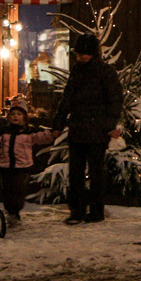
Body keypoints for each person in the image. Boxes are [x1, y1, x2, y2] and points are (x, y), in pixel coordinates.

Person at [52, 32, 124, 225]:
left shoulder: (104, 73)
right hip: (81, 127)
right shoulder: (79, 72)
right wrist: (58, 123)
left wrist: (107, 126)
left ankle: (94, 210)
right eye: (79, 53)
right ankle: (78, 210)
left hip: (95, 130)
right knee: (76, 172)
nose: (81, 57)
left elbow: (114, 101)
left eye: (84, 53)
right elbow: (67, 99)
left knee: (95, 173)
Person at [0, 96, 56, 222]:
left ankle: (15, 209)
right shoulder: (4, 132)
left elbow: (41, 137)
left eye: (19, 114)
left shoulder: (29, 132)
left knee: (18, 189)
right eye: (13, 114)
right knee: (7, 189)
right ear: (9, 117)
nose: (15, 117)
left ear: (24, 117)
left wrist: (52, 134)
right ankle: (10, 210)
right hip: (6, 166)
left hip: (22, 167)